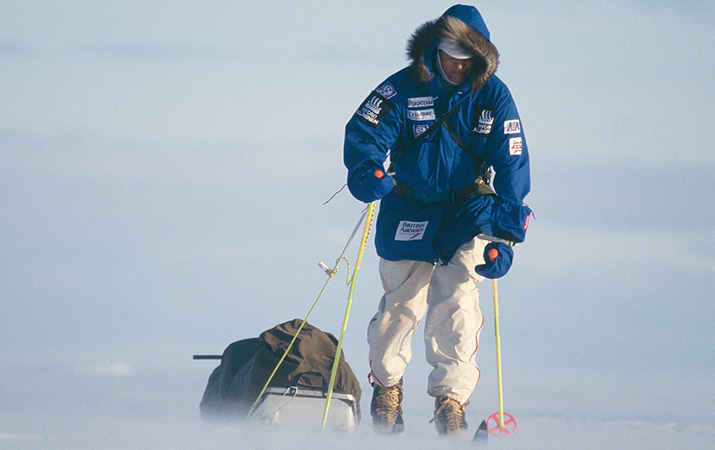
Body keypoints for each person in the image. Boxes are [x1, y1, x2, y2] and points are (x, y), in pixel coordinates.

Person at [342, 4, 532, 435]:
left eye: (467, 61)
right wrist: (367, 173)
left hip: (467, 211)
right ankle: (387, 390)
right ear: (435, 52)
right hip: (408, 207)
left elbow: (513, 165)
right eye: (451, 58)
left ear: (480, 58)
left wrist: (505, 236)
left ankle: (451, 402)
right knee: (401, 306)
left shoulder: (495, 96)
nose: (458, 67)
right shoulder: (402, 88)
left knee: (458, 301)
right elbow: (365, 133)